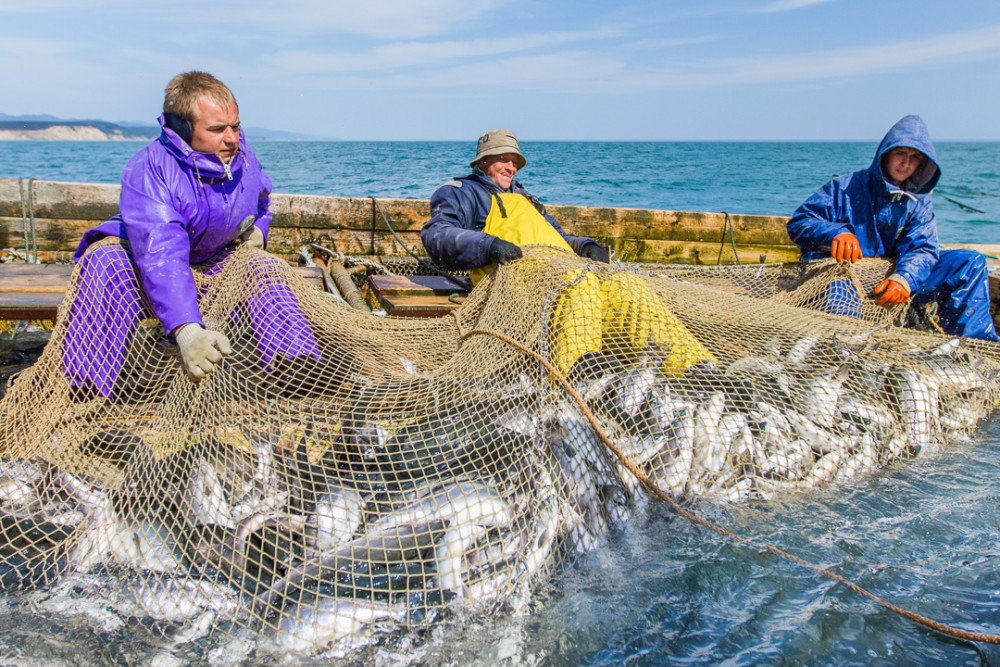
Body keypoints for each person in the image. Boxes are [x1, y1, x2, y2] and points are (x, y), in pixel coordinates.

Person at [65, 71, 319, 398]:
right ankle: (85, 387)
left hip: (213, 261)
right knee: (105, 264)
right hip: (145, 265)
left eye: (235, 126)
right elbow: (161, 255)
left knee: (264, 268)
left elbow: (261, 200)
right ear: (183, 130)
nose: (232, 138)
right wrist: (187, 331)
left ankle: (297, 365)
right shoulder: (150, 168)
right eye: (217, 129)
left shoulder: (242, 157)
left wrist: (259, 229)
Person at [421, 128, 714, 376]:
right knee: (577, 284)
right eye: (502, 159)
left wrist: (585, 245)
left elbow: (556, 236)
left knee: (627, 285)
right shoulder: (461, 191)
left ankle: (690, 367)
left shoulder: (525, 198)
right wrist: (488, 245)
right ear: (483, 161)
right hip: (508, 285)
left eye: (514, 161)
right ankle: (580, 374)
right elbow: (438, 234)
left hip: (554, 269)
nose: (510, 167)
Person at [787, 114, 998, 341]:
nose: (906, 164)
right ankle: (851, 352)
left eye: (915, 157)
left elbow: (923, 248)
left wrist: (904, 278)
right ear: (885, 154)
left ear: (922, 163)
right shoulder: (843, 187)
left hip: (890, 278)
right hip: (841, 276)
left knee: (968, 263)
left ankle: (976, 348)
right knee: (843, 316)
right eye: (901, 154)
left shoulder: (918, 200)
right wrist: (835, 234)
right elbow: (800, 223)